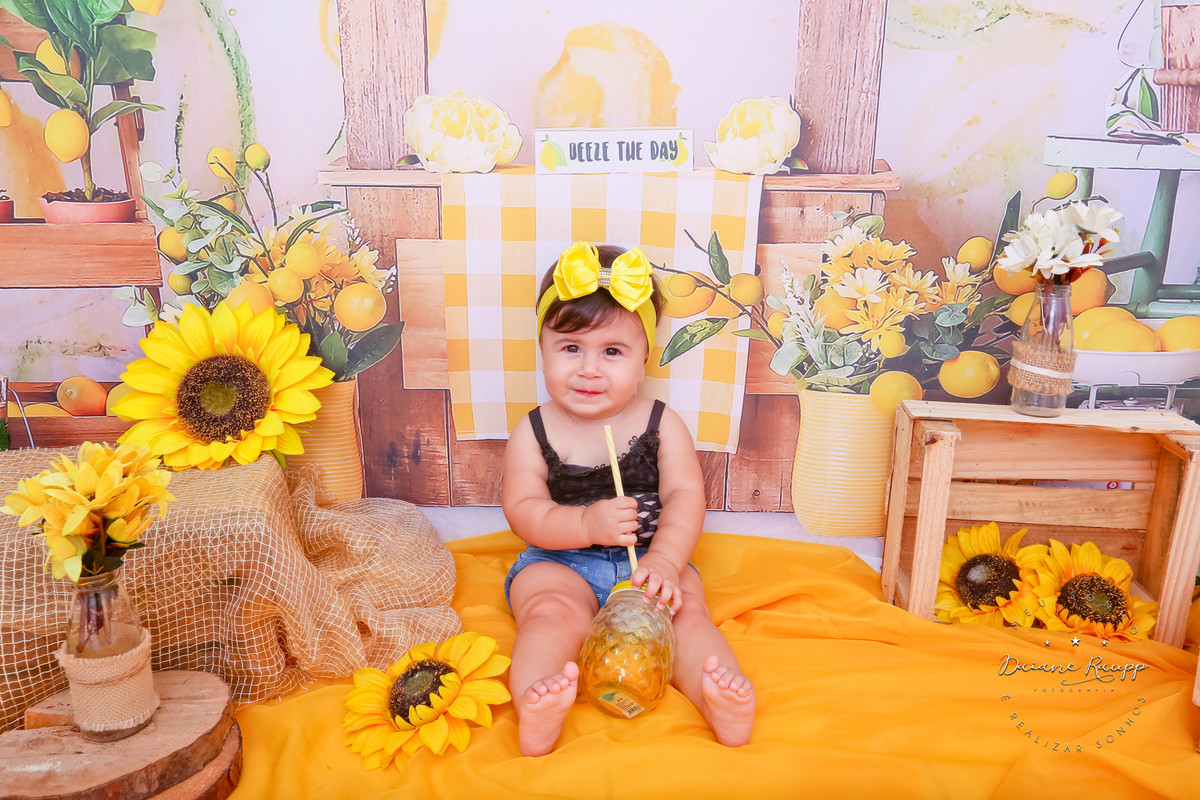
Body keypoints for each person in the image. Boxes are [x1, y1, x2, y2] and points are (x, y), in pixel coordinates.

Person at [502, 241, 756, 757]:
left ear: (644, 359)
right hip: (560, 562)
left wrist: (665, 560)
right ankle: (537, 701)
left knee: (686, 617)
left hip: (650, 564)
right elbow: (523, 509)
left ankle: (718, 699)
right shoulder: (533, 430)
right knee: (549, 614)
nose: (589, 369)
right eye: (571, 348)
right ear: (543, 349)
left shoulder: (661, 423)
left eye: (612, 352)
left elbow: (685, 496)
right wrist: (584, 527)